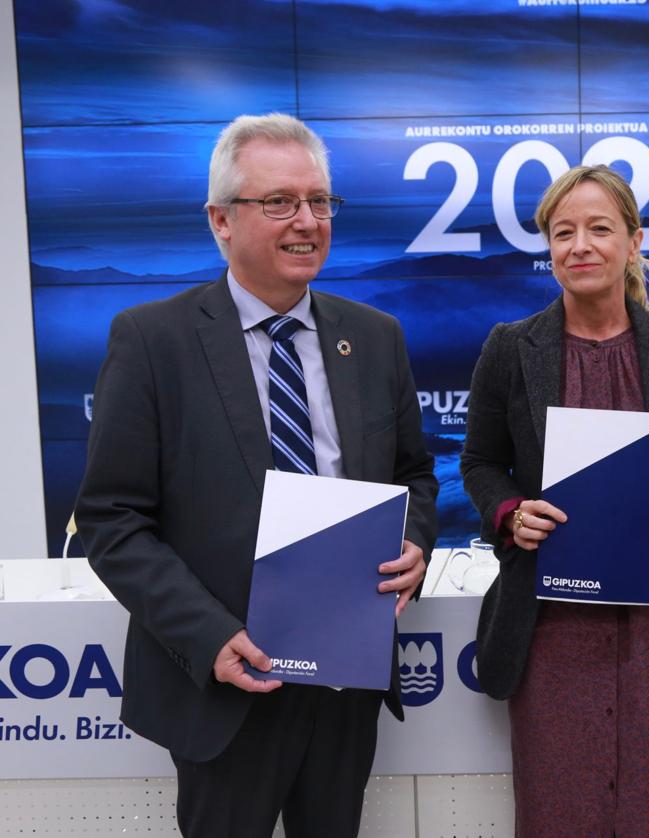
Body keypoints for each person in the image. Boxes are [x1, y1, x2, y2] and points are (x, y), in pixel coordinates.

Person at [75, 113, 438, 838]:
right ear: (220, 220)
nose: (307, 221)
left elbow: (415, 478)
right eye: (279, 202)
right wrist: (209, 636)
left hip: (343, 681)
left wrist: (417, 546)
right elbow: (112, 522)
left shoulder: (374, 338)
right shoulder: (151, 342)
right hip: (223, 684)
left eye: (320, 201)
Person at [460, 164, 649, 837]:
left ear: (635, 242)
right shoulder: (508, 349)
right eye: (563, 232)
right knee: (560, 810)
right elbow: (479, 463)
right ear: (549, 247)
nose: (579, 245)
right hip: (549, 625)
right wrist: (509, 512)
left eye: (598, 229)